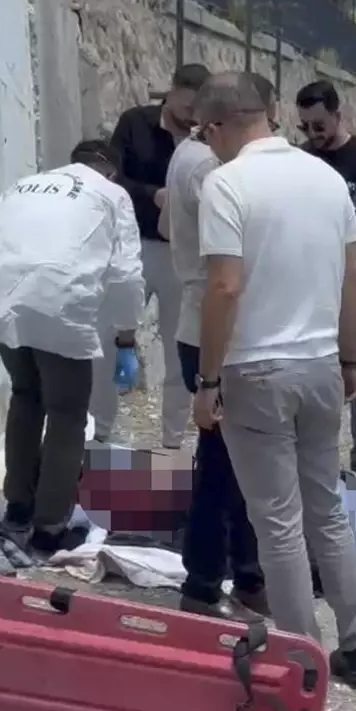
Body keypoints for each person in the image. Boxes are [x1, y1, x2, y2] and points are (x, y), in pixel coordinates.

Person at [192, 71, 356, 687]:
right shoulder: (325, 177)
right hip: (321, 362)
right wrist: (349, 359)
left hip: (256, 367)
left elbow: (224, 287)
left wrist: (207, 381)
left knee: (276, 520)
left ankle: (301, 655)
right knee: (327, 507)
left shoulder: (226, 184)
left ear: (218, 126)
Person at [0, 141, 145, 553]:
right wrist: (126, 340)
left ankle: (18, 507)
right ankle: (49, 527)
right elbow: (125, 273)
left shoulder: (23, 186)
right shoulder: (112, 194)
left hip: (2, 302)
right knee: (67, 414)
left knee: (26, 398)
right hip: (60, 302)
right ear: (111, 172)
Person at [164, 82, 267, 622]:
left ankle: (247, 575)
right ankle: (205, 582)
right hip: (213, 324)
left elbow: (168, 225)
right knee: (225, 466)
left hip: (202, 318)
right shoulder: (212, 170)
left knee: (235, 463)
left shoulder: (187, 157)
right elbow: (230, 268)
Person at [109, 64, 211, 447]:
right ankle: (101, 433)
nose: (191, 118)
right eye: (186, 108)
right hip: (133, 246)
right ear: (171, 93)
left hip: (180, 254)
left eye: (197, 111)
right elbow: (113, 177)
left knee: (177, 349)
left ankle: (172, 440)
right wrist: (152, 194)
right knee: (111, 337)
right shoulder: (135, 123)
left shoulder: (206, 141)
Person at [296, 80, 356, 485]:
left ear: (338, 115)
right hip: (308, 282)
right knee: (313, 372)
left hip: (355, 281)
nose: (313, 135)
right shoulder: (301, 160)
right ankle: (317, 456)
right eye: (304, 127)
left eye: (319, 125)